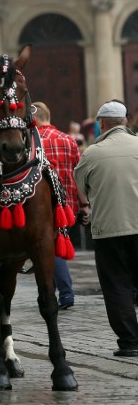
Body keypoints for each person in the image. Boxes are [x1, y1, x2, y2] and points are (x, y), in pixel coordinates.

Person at [74, 100, 138, 357]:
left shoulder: (92, 153)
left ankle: (130, 342)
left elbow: (82, 188)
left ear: (101, 124)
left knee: (117, 287)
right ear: (125, 121)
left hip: (110, 230)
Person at [32, 102, 80, 310]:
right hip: (66, 206)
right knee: (58, 245)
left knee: (45, 250)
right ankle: (65, 293)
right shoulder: (68, 140)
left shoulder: (33, 142)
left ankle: (53, 292)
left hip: (39, 206)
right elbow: (78, 172)